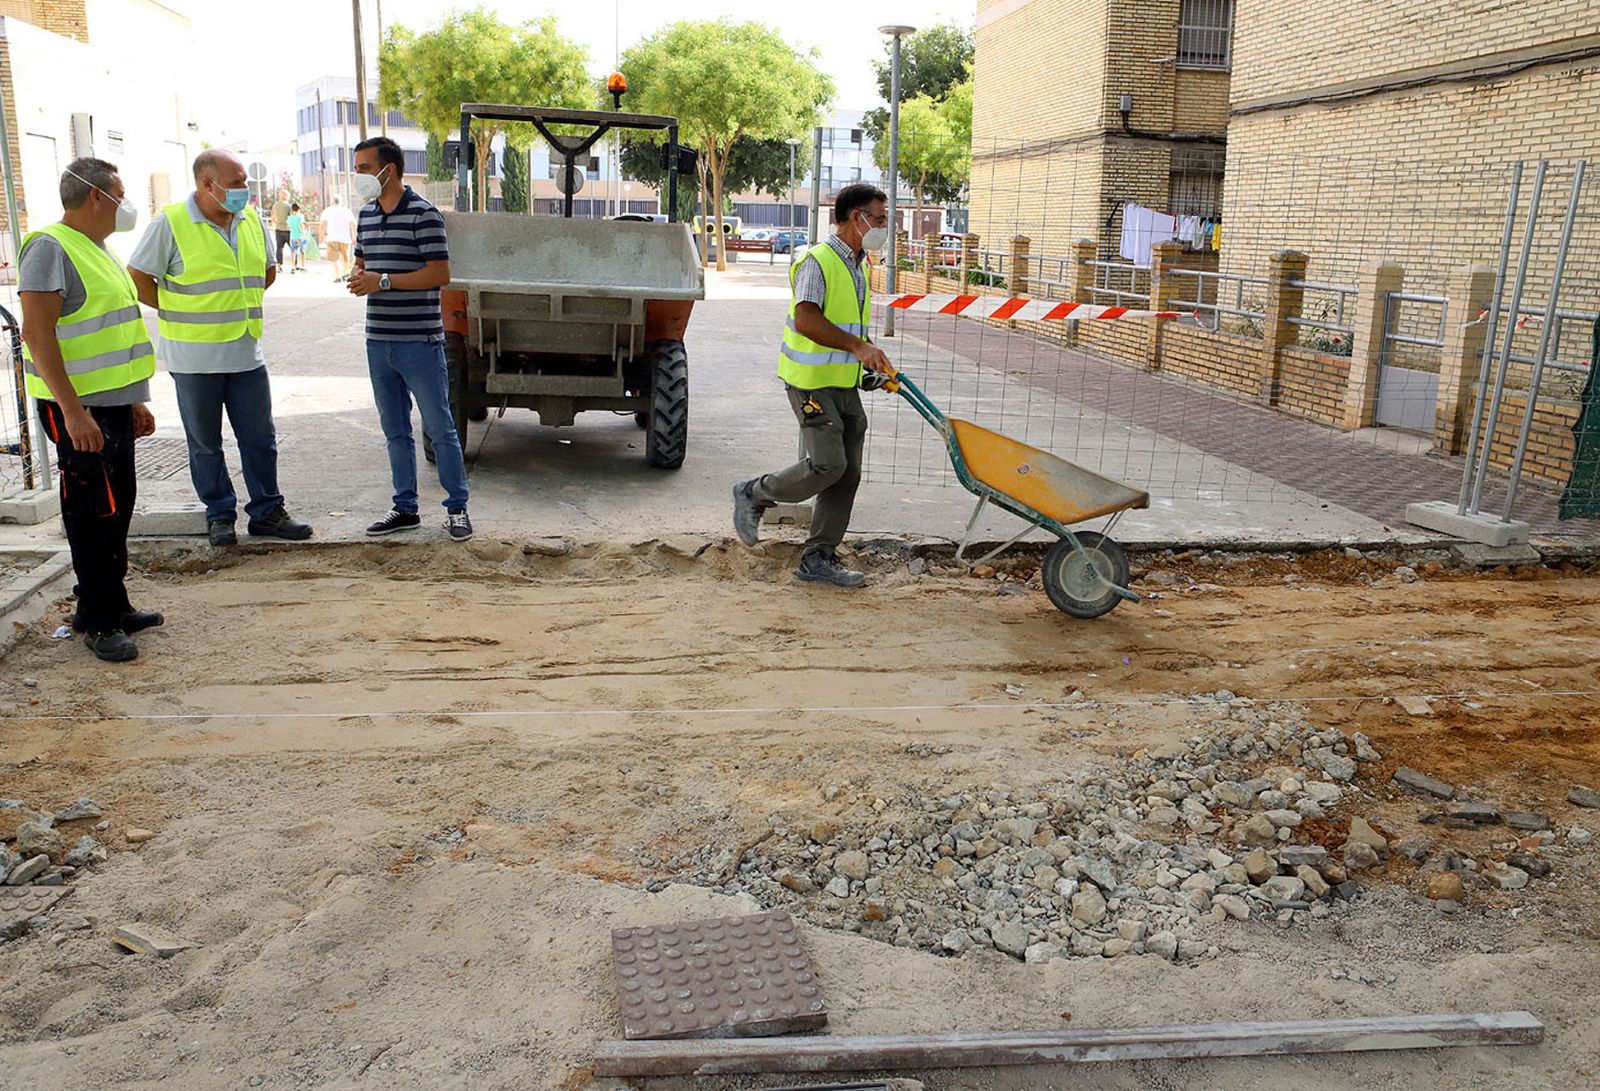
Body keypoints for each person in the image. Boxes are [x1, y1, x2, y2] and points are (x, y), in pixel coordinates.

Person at [128, 150, 313, 547]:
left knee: (260, 440)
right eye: (236, 184)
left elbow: (266, 271)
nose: (244, 191)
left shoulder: (250, 221)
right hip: (194, 358)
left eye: (245, 182)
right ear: (206, 185)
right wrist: (177, 306)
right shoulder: (171, 223)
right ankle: (220, 515)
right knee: (205, 444)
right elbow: (139, 276)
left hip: (246, 353)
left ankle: (267, 511)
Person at [17, 158, 161, 662]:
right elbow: (37, 334)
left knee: (117, 505)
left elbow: (114, 332)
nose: (128, 205)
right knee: (91, 510)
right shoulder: (49, 248)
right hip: (77, 408)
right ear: (96, 197)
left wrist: (135, 400)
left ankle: (110, 604)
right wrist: (73, 413)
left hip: (113, 403)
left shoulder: (97, 249)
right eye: (121, 194)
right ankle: (98, 622)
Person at [732, 183, 894, 588]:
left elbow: (848, 327)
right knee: (828, 464)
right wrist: (858, 346)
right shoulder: (817, 261)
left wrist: (866, 364)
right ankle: (754, 492)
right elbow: (807, 320)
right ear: (854, 218)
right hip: (810, 383)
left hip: (842, 383)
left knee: (848, 472)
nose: (883, 227)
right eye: (878, 219)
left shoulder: (858, 265)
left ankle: (818, 557)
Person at [347, 135, 472, 542]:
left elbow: (439, 274)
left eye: (365, 168)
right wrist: (359, 277)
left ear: (390, 170)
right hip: (378, 341)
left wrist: (381, 282)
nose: (359, 177)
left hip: (419, 341)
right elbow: (361, 261)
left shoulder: (424, 214)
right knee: (394, 430)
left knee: (440, 427)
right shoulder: (366, 216)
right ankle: (404, 507)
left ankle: (457, 509)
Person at [319, 194, 356, 280]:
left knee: (334, 258)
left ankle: (337, 275)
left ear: (332, 202)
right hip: (345, 238)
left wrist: (321, 235)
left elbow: (322, 225)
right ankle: (344, 273)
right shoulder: (346, 211)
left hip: (332, 237)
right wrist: (354, 236)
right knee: (345, 258)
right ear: (341, 202)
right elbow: (353, 224)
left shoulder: (327, 211)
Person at [269, 188, 292, 265]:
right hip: (288, 230)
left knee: (279, 248)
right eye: (288, 196)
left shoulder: (275, 205)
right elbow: (291, 218)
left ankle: (279, 264)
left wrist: (274, 225)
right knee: (293, 248)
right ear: (285, 196)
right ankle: (294, 264)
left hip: (278, 229)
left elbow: (272, 218)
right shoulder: (288, 206)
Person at [286, 202, 306, 273]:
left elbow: (288, 227)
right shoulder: (300, 216)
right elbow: (302, 226)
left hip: (293, 236)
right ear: (299, 209)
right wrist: (304, 235)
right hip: (300, 236)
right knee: (302, 252)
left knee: (293, 252)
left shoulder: (289, 218)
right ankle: (303, 266)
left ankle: (292, 267)